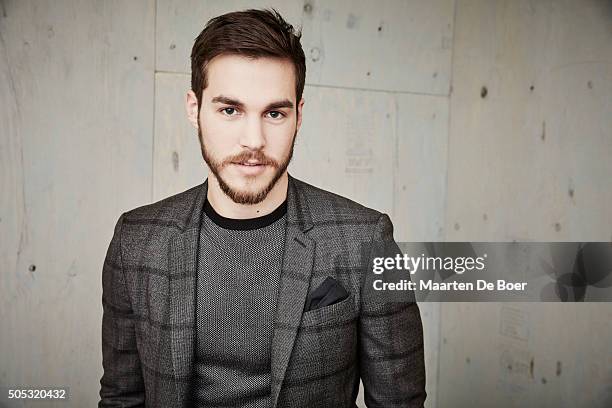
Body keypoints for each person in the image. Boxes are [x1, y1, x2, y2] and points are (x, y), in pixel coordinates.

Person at [99, 8, 425, 408]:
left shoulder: (365, 239)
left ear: (298, 116)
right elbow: (120, 398)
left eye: (274, 113)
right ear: (193, 109)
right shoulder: (136, 241)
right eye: (230, 110)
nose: (253, 140)